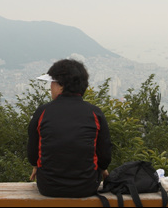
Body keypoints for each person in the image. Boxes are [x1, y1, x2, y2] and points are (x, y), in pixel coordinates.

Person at [27, 59, 113, 198]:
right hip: (87, 186)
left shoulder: (43, 112)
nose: (50, 87)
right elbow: (104, 154)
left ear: (61, 86)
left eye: (52, 83)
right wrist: (102, 169)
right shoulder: (94, 113)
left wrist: (36, 165)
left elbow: (32, 152)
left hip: (49, 187)